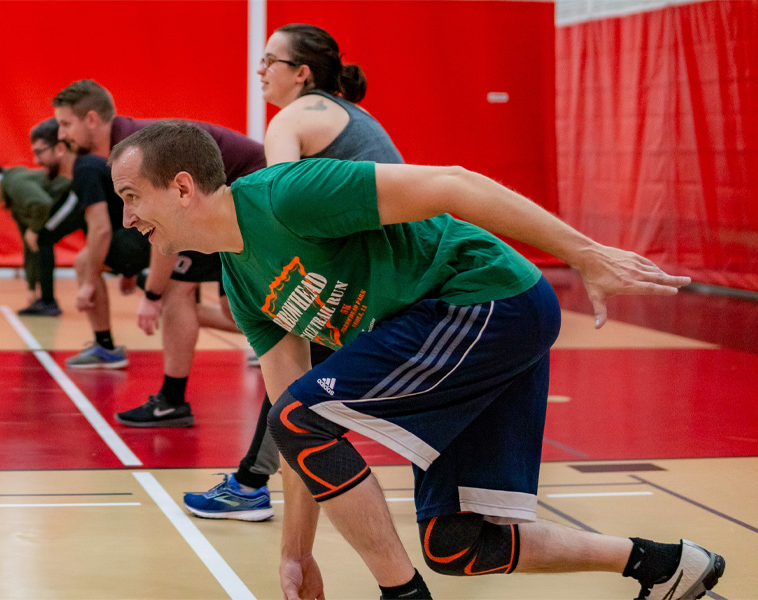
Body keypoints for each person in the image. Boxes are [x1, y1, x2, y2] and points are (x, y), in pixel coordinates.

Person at [108, 120, 725, 600]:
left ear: (183, 187)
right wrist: (297, 553)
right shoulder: (244, 285)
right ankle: (664, 564)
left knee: (300, 416)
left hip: (484, 298)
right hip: (471, 331)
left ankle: (401, 595)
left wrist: (584, 253)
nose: (129, 218)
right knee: (458, 544)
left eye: (132, 197)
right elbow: (291, 427)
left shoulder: (285, 197)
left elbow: (453, 184)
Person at [184, 23, 403, 522]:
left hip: (380, 283)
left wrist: (250, 274)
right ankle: (253, 482)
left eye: (269, 61)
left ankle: (251, 486)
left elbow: (280, 206)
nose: (259, 70)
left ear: (301, 73)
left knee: (294, 386)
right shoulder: (347, 113)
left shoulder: (292, 119)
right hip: (381, 274)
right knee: (296, 386)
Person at [52, 80, 266, 427]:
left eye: (65, 123)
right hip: (227, 191)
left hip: (245, 190)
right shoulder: (125, 150)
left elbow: (170, 228)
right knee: (228, 308)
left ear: (91, 119)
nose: (61, 134)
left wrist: (151, 294)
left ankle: (172, 401)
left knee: (175, 289)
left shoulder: (139, 153)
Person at [0, 158, 72, 315]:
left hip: (75, 195)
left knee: (42, 238)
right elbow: (29, 247)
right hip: (64, 200)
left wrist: (34, 229)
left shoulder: (15, 183)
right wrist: (31, 287)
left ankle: (48, 302)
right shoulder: (15, 204)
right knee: (38, 240)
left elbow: (42, 203)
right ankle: (44, 300)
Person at [23, 117, 87, 316]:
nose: (36, 160)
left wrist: (36, 231)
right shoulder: (74, 177)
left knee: (110, 256)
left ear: (59, 148)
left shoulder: (86, 172)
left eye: (39, 152)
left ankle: (48, 301)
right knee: (110, 257)